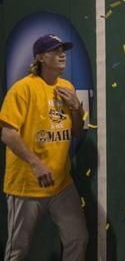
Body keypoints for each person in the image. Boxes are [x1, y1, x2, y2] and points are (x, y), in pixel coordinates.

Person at [0, 34, 88, 260]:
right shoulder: (23, 89)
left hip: (61, 182)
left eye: (63, 51)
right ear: (40, 57)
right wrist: (36, 164)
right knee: (18, 249)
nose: (62, 56)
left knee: (78, 237)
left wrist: (76, 107)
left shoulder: (67, 87)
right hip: (27, 184)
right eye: (55, 51)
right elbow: (7, 133)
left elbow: (78, 131)